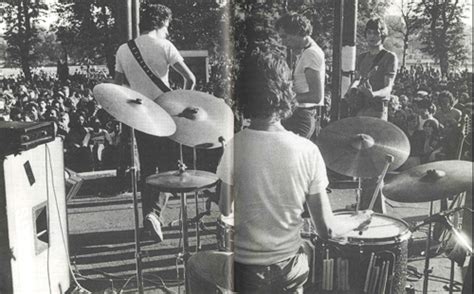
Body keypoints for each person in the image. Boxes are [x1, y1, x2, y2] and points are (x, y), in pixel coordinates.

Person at [187, 46, 371, 293]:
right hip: (289, 272)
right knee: (304, 248)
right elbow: (326, 230)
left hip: (245, 274)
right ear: (286, 94)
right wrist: (356, 220)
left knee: (195, 264)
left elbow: (225, 208)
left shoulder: (235, 145)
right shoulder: (307, 150)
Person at [114, 4, 196, 242]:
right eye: (167, 26)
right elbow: (189, 78)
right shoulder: (164, 46)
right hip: (166, 113)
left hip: (141, 115)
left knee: (148, 170)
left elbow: (118, 86)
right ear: (161, 24)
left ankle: (149, 218)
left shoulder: (123, 49)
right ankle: (154, 213)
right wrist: (180, 101)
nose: (168, 32)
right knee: (172, 168)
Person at [351, 18, 398, 213]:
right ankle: (363, 205)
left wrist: (374, 94)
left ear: (382, 34)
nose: (372, 36)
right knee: (361, 159)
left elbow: (388, 88)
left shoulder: (389, 57)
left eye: (376, 32)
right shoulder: (361, 57)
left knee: (374, 161)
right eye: (369, 32)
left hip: (377, 110)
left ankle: (377, 210)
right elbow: (356, 81)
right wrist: (352, 90)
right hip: (360, 110)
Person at [275, 12, 325, 139]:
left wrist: (285, 99)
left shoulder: (311, 54)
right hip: (298, 115)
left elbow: (316, 96)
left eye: (285, 37)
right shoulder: (307, 51)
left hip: (301, 117)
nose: (283, 42)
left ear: (297, 32)